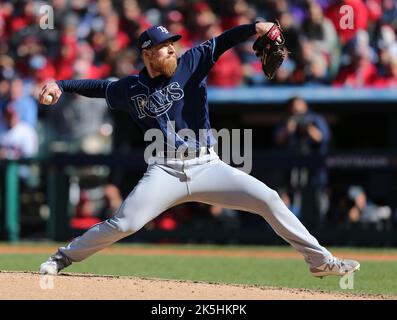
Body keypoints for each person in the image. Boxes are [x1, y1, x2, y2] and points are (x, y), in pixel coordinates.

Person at [38, 21, 359, 278]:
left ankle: (320, 261)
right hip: (164, 169)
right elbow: (98, 87)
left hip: (207, 165)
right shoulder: (130, 88)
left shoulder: (190, 63)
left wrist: (255, 27)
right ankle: (63, 256)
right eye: (164, 47)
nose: (171, 50)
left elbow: (222, 41)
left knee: (268, 198)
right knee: (125, 224)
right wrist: (60, 85)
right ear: (148, 54)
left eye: (172, 44)